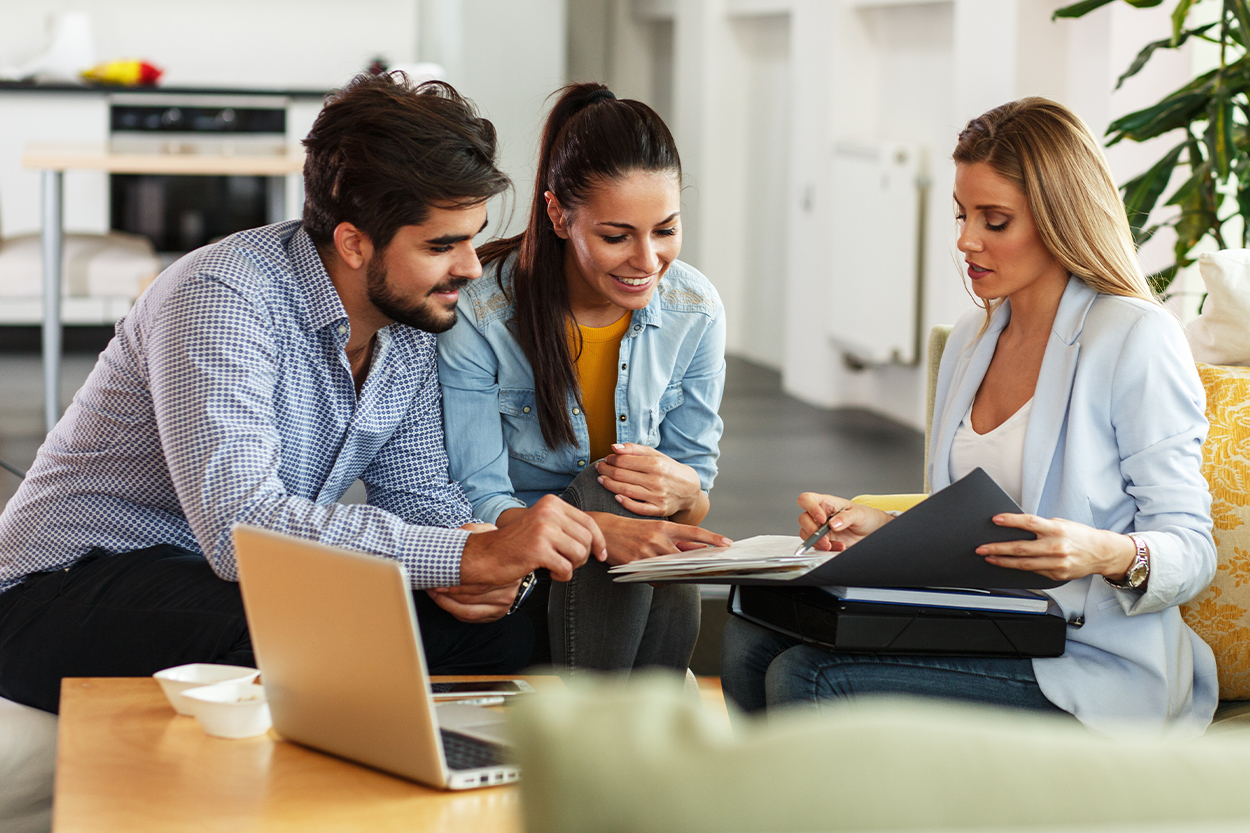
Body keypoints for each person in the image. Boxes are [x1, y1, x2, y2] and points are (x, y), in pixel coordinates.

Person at [0, 73, 606, 714]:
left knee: (499, 633)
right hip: (63, 587)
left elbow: (421, 494)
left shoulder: (408, 326)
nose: (470, 267)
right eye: (441, 245)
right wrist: (463, 553)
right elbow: (242, 526)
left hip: (220, 580)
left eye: (471, 237)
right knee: (302, 629)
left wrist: (483, 566)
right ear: (353, 242)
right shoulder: (222, 297)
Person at [721, 97, 1218, 737]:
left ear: (1059, 220)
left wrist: (1103, 552)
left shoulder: (1134, 338)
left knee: (808, 676)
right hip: (986, 629)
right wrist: (886, 528)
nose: (965, 240)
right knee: (748, 641)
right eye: (963, 214)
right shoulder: (970, 339)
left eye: (995, 220)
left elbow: (1192, 550)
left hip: (1088, 660)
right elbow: (972, 529)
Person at [436, 83, 730, 674]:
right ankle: (638, 724)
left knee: (639, 496)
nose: (647, 261)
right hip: (524, 564)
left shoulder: (695, 308)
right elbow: (478, 494)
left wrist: (685, 493)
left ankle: (625, 729)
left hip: (631, 573)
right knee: (608, 489)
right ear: (558, 215)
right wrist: (601, 528)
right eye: (616, 236)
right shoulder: (481, 311)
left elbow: (692, 498)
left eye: (666, 230)